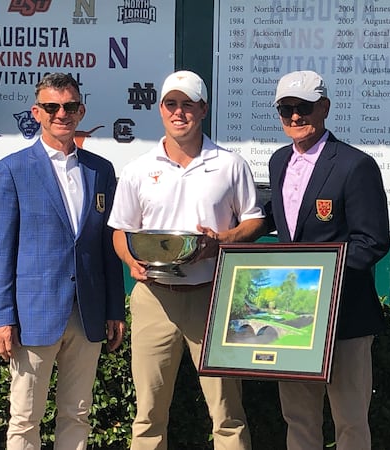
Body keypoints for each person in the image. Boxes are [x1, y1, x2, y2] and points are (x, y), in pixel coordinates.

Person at [108, 70, 265, 450]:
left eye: (188, 104)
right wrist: (132, 260)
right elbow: (120, 231)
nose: (179, 112)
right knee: (147, 412)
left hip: (212, 296)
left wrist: (222, 240)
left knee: (227, 413)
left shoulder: (230, 164)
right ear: (161, 109)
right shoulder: (138, 169)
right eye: (171, 104)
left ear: (203, 109)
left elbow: (255, 219)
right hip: (154, 298)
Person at [0, 72, 126, 450]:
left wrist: (114, 308)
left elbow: (106, 247)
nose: (61, 113)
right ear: (37, 112)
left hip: (88, 313)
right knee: (26, 417)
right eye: (52, 106)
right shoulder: (12, 170)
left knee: (77, 413)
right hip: (33, 316)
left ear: (81, 111)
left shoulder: (101, 171)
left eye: (70, 106)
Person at [265, 70, 390, 450]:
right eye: (286, 109)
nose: (295, 117)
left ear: (324, 108)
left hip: (345, 316)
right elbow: (277, 219)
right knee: (298, 418)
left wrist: (319, 276)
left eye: (303, 107)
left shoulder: (355, 165)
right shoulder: (278, 161)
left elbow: (372, 242)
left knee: (350, 420)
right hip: (296, 321)